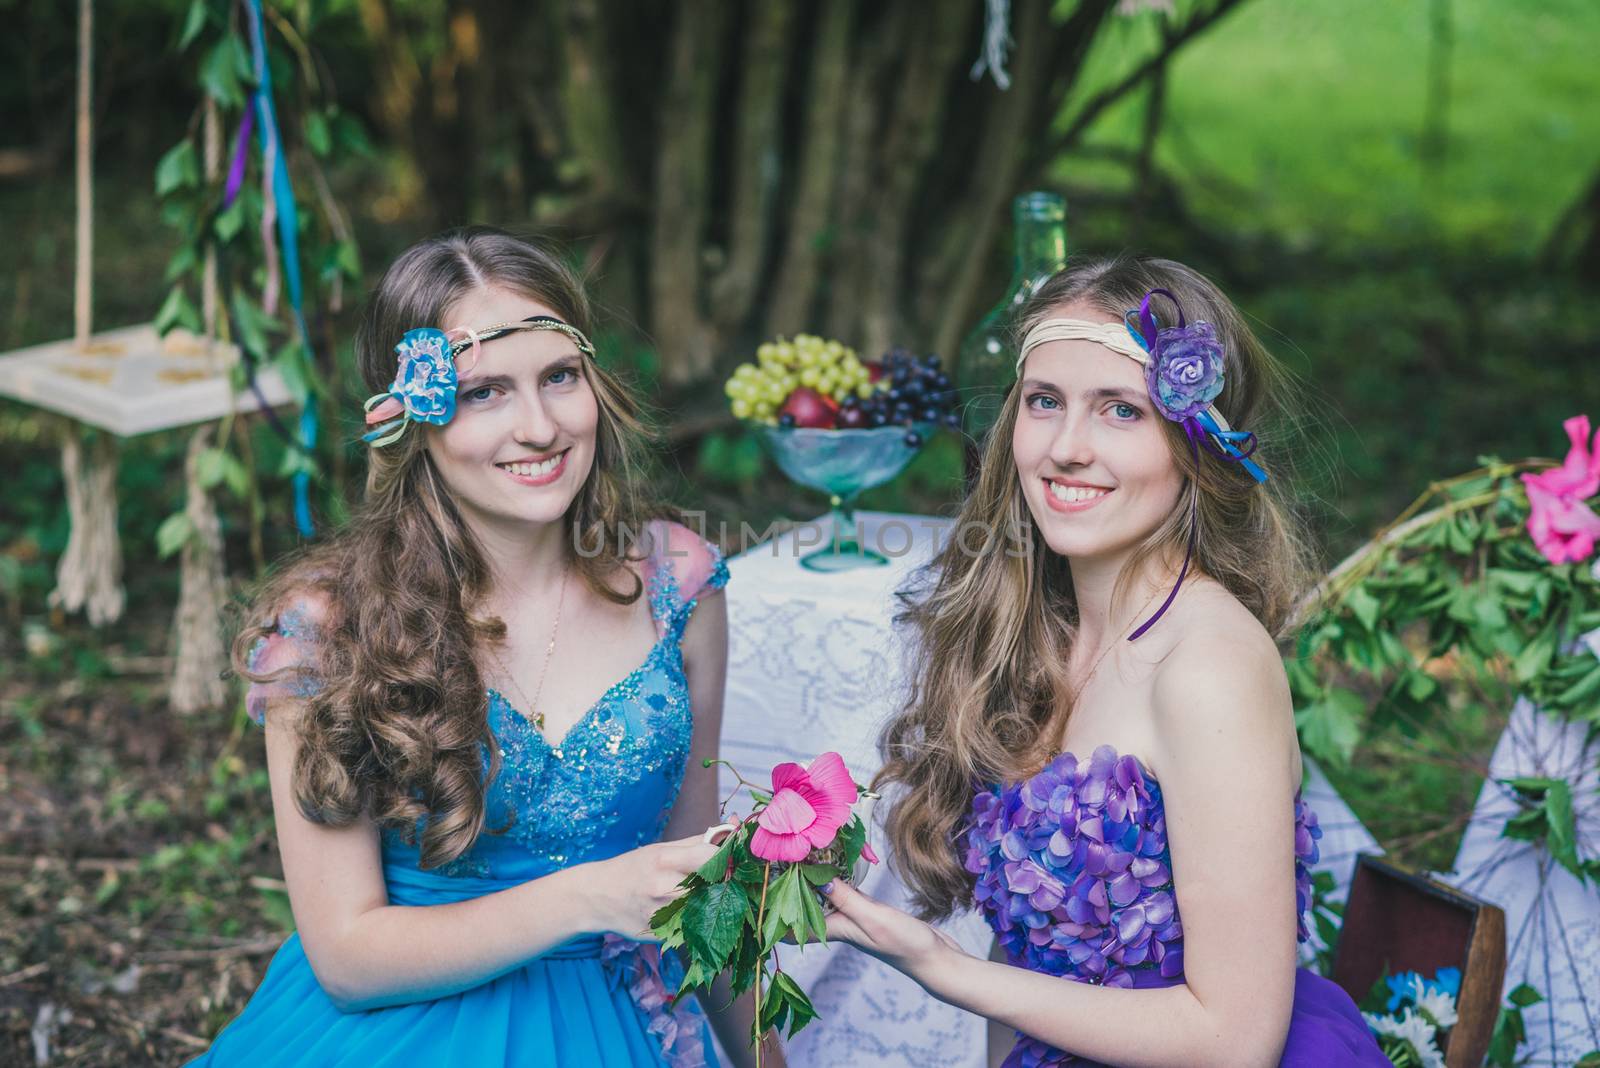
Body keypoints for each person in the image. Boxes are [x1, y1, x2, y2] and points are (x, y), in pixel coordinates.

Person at [193, 227, 775, 1067]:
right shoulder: (324, 628)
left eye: (559, 378)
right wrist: (587, 899)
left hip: (621, 1025)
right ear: (409, 419)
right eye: (484, 393)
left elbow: (702, 877)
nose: (538, 427)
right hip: (406, 1024)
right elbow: (349, 958)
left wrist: (762, 1056)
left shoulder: (675, 581)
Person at [821, 256, 1388, 1067]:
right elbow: (1027, 959)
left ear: (1199, 443)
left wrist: (942, 969)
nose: (1066, 449)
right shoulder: (1039, 637)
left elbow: (1234, 1040)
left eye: (1120, 410)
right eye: (1044, 402)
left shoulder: (1208, 668)